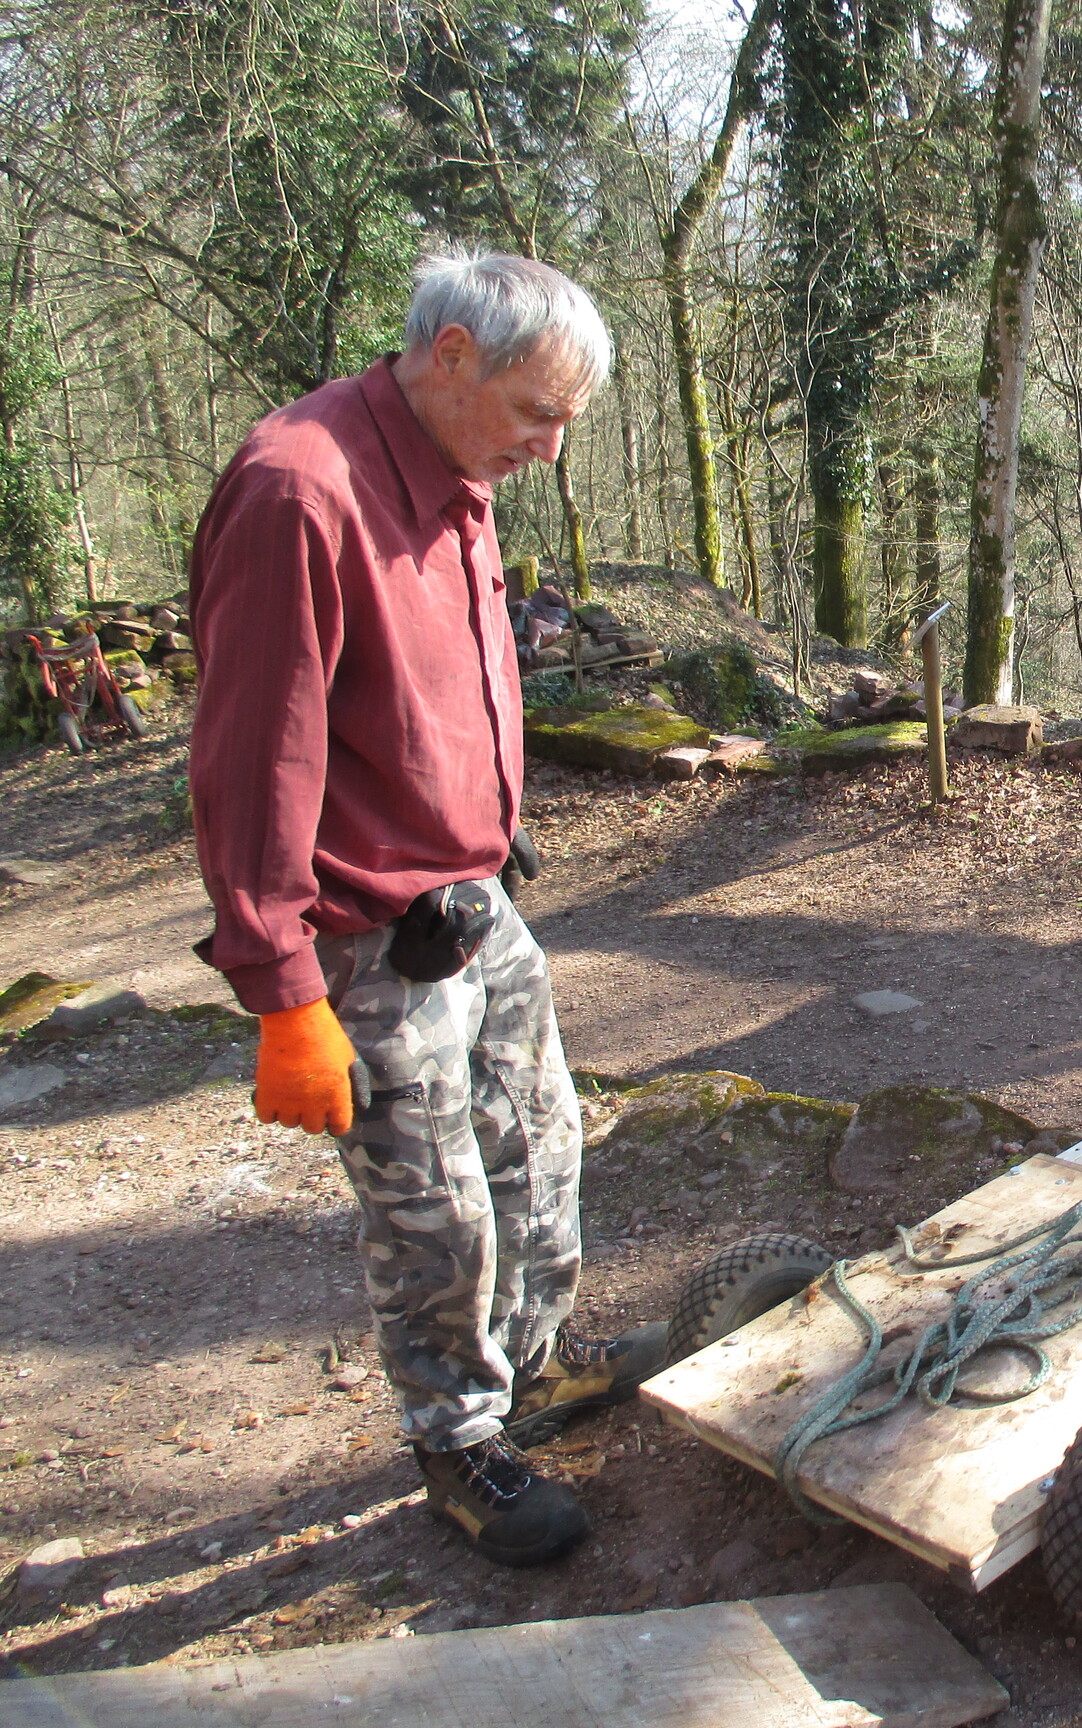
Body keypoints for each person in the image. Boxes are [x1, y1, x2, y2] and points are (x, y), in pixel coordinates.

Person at [188, 249, 665, 1569]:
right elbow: (253, 759)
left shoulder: (458, 468)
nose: (551, 449)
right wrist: (283, 993)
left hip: (469, 900)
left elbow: (448, 674)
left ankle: (536, 1359)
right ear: (451, 355)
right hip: (360, 932)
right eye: (538, 413)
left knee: (541, 1140)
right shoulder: (300, 493)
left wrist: (491, 822)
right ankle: (458, 1443)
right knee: (436, 1210)